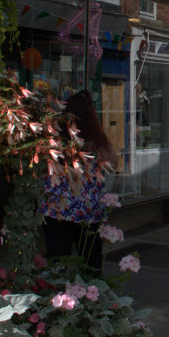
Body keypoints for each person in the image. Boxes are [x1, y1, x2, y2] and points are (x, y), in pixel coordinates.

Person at [42, 90, 118, 274]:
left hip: (58, 210)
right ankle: (89, 296)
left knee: (57, 263)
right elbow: (113, 164)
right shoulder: (96, 141)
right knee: (90, 263)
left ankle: (59, 298)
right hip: (89, 211)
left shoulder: (55, 139)